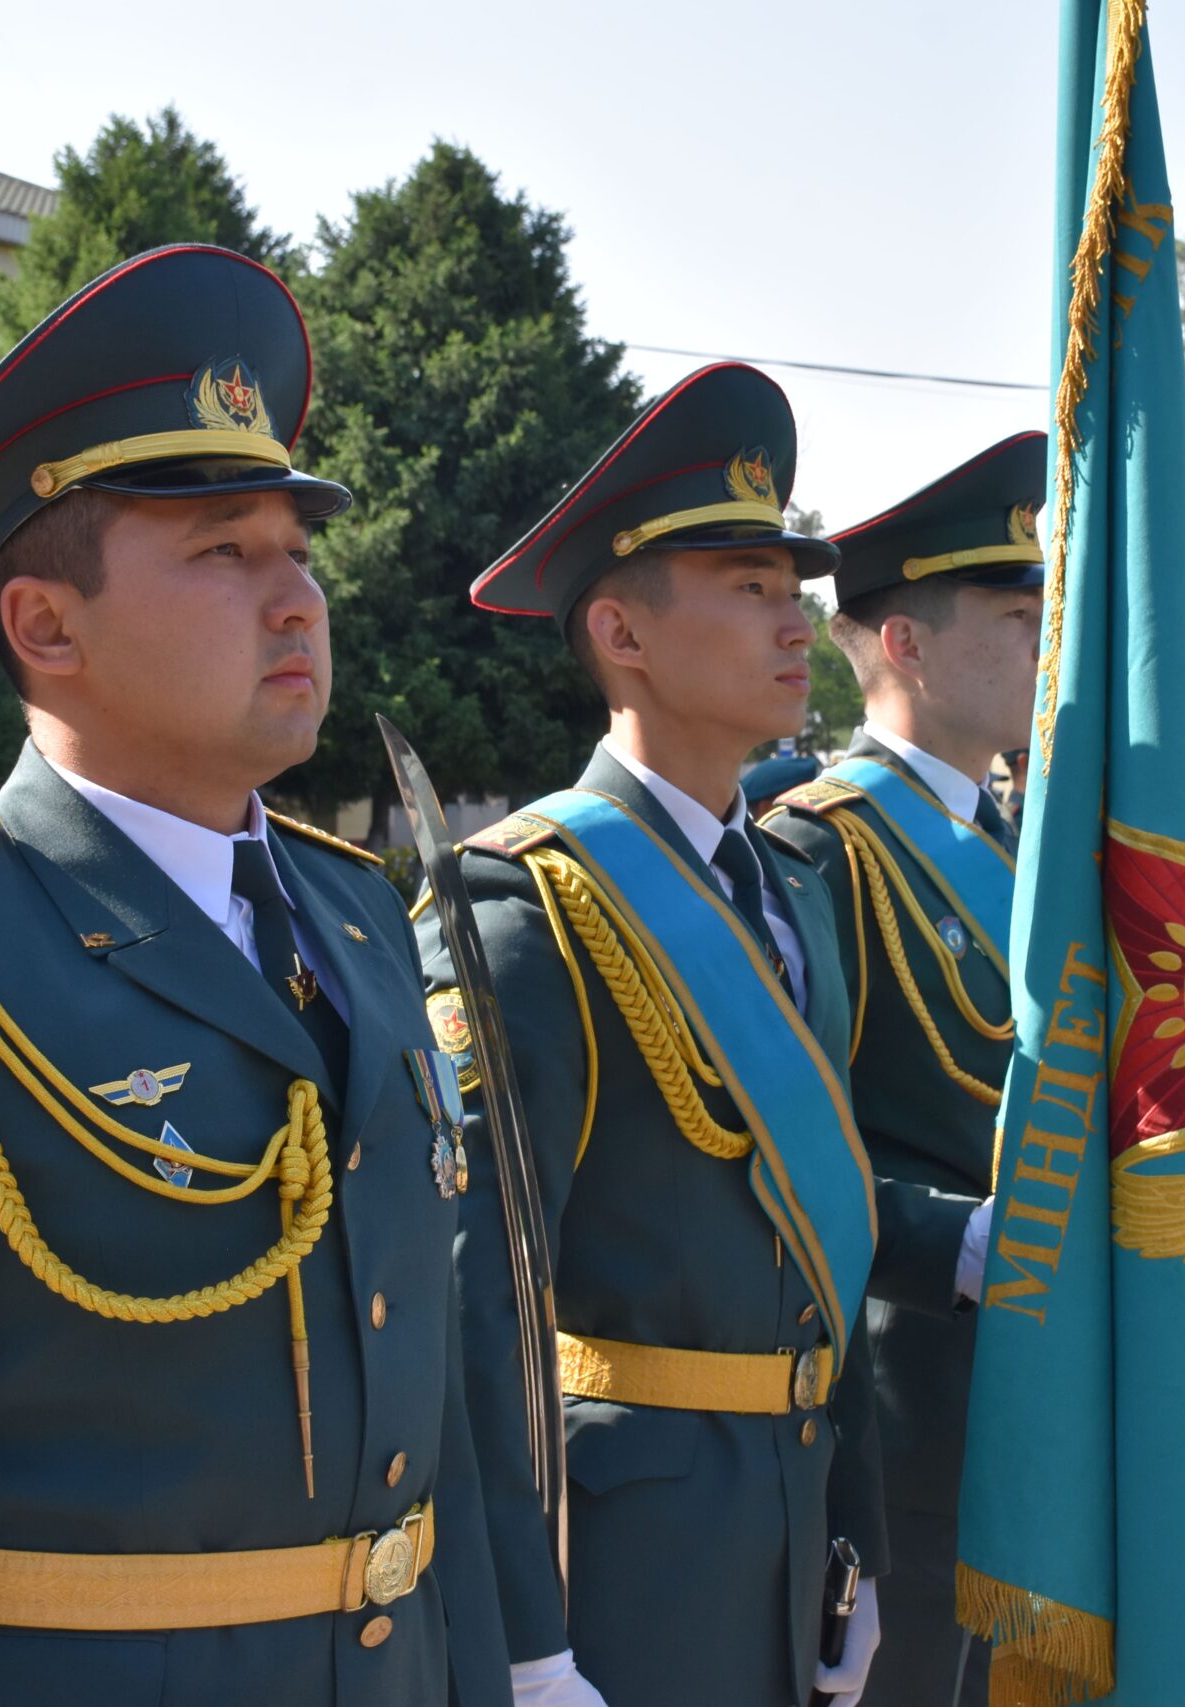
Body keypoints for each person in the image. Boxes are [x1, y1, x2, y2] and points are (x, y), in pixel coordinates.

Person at [0, 246, 509, 1705]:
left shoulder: (362, 914)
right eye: (221, 552)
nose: (297, 597)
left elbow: (432, 1432)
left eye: (297, 549)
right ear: (47, 625)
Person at [418, 363, 889, 1707]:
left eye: (794, 587)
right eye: (748, 587)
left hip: (792, 1517)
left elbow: (821, 1235)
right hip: (628, 1553)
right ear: (622, 632)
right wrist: (521, 1637)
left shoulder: (793, 884)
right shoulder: (523, 906)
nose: (797, 623)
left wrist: (853, 1537)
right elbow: (477, 1308)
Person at [761, 433, 1041, 1707]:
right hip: (913, 1372)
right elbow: (797, 1143)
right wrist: (961, 1240)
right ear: (907, 645)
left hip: (1041, 1352)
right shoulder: (821, 848)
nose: (1047, 642)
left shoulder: (1015, 837)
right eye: (1016, 612)